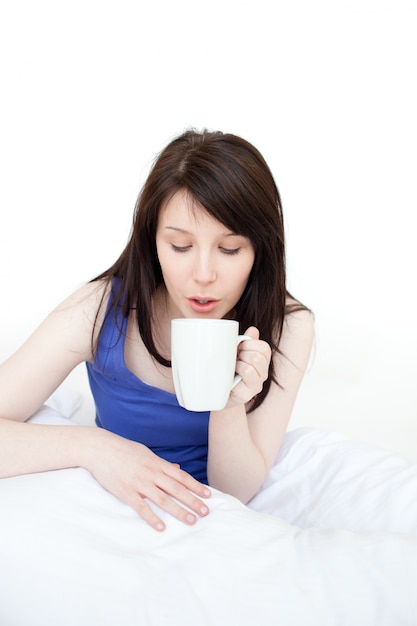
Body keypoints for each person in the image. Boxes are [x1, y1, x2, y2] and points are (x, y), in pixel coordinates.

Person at [0, 129, 314, 532]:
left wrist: (229, 402)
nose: (204, 275)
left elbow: (234, 490)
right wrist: (96, 447)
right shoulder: (100, 309)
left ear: (261, 249)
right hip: (110, 510)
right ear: (152, 243)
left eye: (230, 249)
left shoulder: (287, 326)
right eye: (180, 247)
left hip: (211, 522)